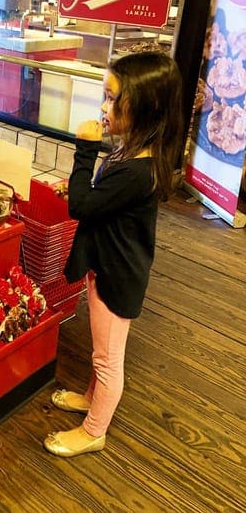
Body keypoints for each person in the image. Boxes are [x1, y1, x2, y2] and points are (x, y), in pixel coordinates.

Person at [45, 52, 184, 458]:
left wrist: (84, 151)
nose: (103, 109)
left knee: (107, 358)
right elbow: (96, 199)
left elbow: (82, 207)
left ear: (145, 106)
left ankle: (94, 431)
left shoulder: (138, 170)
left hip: (116, 276)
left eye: (111, 99)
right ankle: (92, 398)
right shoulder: (135, 152)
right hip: (110, 264)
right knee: (100, 348)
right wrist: (78, 187)